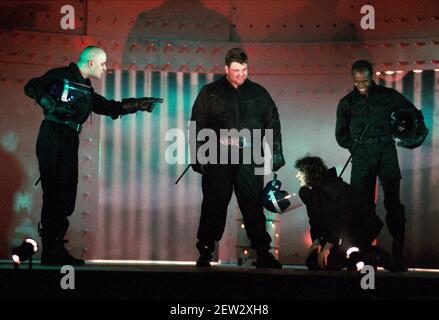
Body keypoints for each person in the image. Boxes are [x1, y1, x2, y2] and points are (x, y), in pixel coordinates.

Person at [24, 46, 161, 265]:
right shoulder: (61, 75)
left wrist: (137, 105)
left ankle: (56, 247)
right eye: (103, 63)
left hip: (68, 138)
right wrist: (50, 105)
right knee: (55, 193)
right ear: (90, 63)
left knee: (66, 194)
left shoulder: (85, 87)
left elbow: (106, 106)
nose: (105, 68)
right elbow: (32, 86)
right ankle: (51, 249)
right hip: (53, 136)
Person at [190, 48, 285, 268]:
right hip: (218, 156)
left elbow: (273, 122)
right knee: (214, 203)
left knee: (252, 205)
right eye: (236, 70)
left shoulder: (259, 93)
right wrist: (197, 154)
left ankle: (263, 252)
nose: (241, 74)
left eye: (244, 70)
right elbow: (197, 124)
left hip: (250, 157)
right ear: (226, 69)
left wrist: (277, 152)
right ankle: (205, 251)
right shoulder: (210, 92)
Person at [335, 60, 420, 271]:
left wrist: (403, 134)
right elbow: (340, 134)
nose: (361, 85)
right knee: (362, 206)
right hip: (361, 155)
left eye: (364, 81)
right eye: (357, 82)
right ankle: (361, 254)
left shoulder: (388, 96)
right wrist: (355, 147)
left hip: (386, 152)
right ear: (353, 79)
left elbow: (412, 115)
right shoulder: (346, 103)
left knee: (393, 204)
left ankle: (398, 252)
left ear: (371, 76)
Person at [294, 155, 389, 271]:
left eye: (300, 172)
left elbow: (343, 219)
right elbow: (315, 219)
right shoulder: (313, 192)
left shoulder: (332, 188)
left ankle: (373, 256)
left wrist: (327, 247)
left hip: (359, 229)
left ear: (310, 172)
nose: (297, 176)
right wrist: (316, 242)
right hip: (342, 232)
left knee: (330, 262)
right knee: (313, 262)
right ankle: (357, 255)